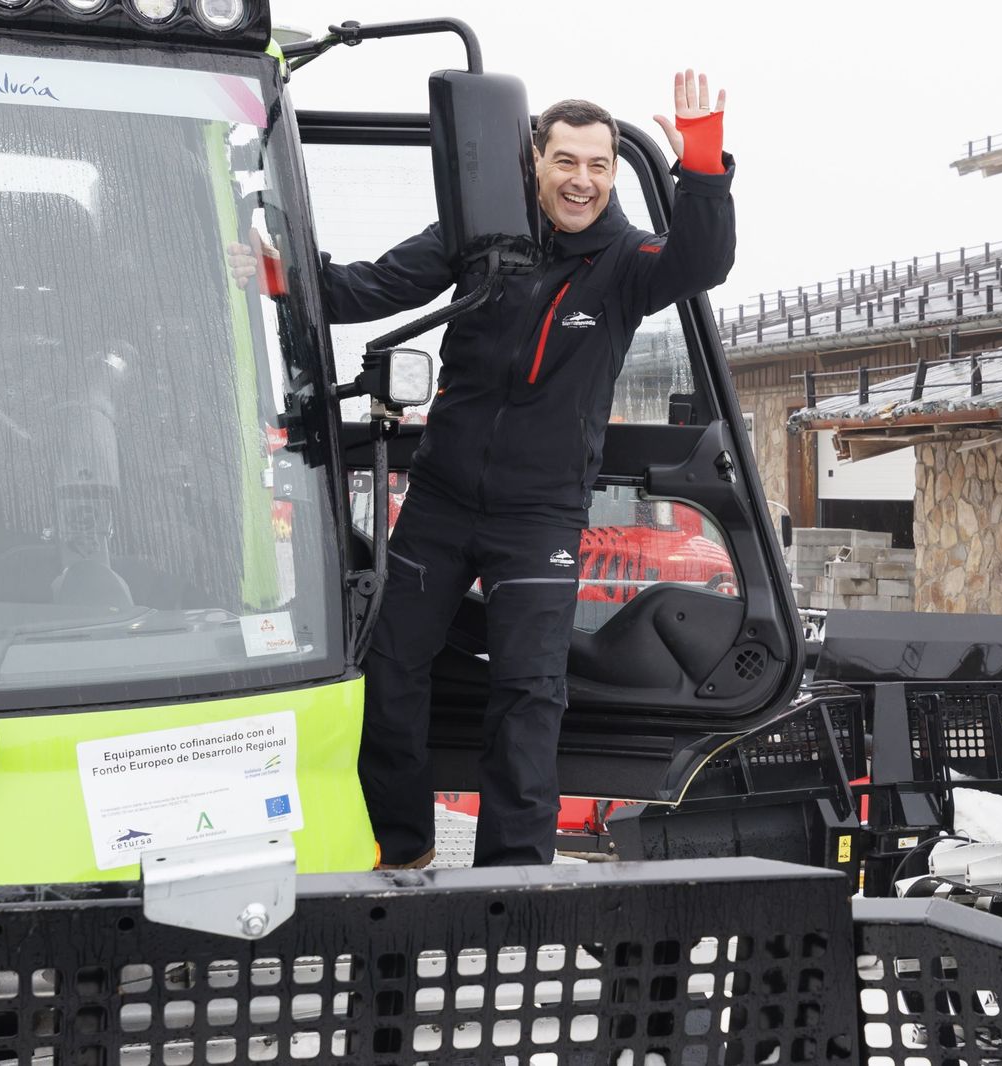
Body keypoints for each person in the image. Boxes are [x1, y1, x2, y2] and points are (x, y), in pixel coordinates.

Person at [232, 71, 735, 867]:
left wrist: (703, 167)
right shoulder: (482, 237)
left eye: (599, 165)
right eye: (566, 160)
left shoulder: (628, 264)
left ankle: (512, 874)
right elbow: (373, 286)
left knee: (529, 694)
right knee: (390, 665)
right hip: (441, 500)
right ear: (533, 161)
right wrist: (286, 279)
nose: (582, 180)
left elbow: (703, 261)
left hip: (539, 517)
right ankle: (400, 844)